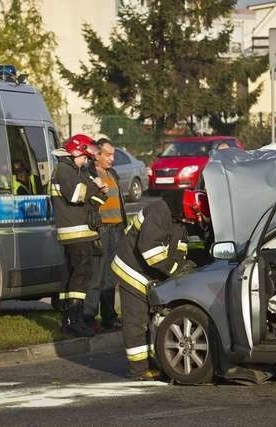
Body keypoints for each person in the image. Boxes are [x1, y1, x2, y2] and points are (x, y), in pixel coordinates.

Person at [111, 190, 194, 380]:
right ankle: (138, 370)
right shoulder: (159, 211)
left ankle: (152, 363)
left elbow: (178, 248)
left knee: (150, 320)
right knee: (136, 320)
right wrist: (174, 270)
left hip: (148, 272)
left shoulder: (178, 220)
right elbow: (149, 251)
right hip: (131, 269)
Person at [50, 133, 108, 337]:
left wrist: (100, 192)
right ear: (75, 152)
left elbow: (93, 201)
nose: (85, 161)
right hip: (76, 233)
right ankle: (74, 321)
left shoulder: (74, 170)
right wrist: (95, 186)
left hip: (80, 232)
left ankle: (68, 321)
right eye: (84, 157)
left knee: (73, 275)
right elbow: (77, 195)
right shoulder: (65, 171)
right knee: (81, 276)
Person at [83, 138, 125, 332]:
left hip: (116, 229)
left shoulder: (112, 173)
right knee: (96, 275)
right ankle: (89, 317)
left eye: (113, 155)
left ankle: (109, 317)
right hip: (100, 230)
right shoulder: (88, 173)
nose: (112, 159)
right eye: (108, 155)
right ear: (97, 155)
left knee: (110, 277)